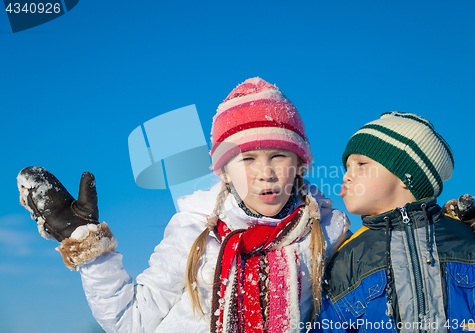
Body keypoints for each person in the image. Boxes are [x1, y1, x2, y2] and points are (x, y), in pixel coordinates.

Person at [17, 77, 350, 333]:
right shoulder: (195, 229)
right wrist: (88, 246)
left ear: (300, 163)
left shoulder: (327, 232)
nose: (266, 173)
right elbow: (132, 321)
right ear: (225, 173)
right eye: (247, 159)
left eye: (279, 156)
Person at [312, 112, 475, 332]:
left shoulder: (467, 239)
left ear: (406, 176)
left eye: (361, 164)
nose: (346, 176)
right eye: (347, 168)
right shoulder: (348, 255)